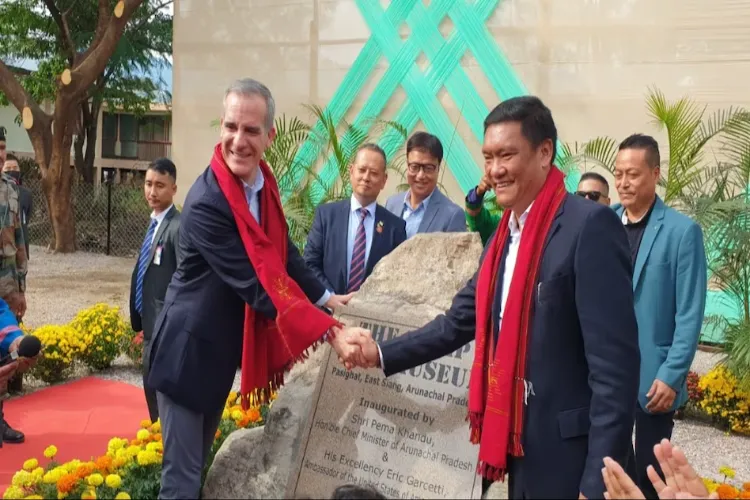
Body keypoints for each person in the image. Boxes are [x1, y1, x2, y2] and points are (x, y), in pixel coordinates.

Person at [344, 96, 640, 499]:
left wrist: (598, 484)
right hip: (518, 444)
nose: (495, 170)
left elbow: (614, 374)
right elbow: (457, 322)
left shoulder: (588, 227)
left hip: (571, 457)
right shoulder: (504, 237)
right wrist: (380, 352)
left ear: (544, 153)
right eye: (488, 157)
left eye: (507, 155)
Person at [145, 78, 367, 499]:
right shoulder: (208, 201)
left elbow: (280, 252)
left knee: (192, 476)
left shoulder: (261, 183)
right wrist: (330, 331)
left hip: (214, 356)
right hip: (185, 357)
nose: (238, 140)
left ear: (271, 135)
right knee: (181, 483)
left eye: (250, 130)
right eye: (231, 127)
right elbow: (257, 284)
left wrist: (325, 298)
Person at [612, 134, 707, 499]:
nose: (623, 182)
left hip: (654, 380)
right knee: (609, 469)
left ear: (655, 174)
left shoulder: (682, 232)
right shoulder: (602, 225)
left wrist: (671, 375)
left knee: (651, 475)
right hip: (605, 374)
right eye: (618, 174)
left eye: (632, 174)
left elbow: (690, 313)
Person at [304, 143, 406, 295]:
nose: (366, 178)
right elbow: (309, 263)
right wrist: (331, 299)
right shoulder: (326, 216)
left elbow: (397, 278)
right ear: (351, 171)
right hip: (327, 312)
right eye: (362, 170)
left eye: (374, 173)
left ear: (384, 180)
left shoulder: (395, 227)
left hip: (371, 315)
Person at [129, 158, 181, 423]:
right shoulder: (154, 225)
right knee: (150, 390)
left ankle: (165, 449)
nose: (152, 191)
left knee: (162, 397)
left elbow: (183, 279)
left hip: (165, 328)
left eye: (160, 185)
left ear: (173, 188)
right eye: (148, 184)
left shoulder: (177, 227)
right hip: (149, 325)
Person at [465, 170, 612, 246]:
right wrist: (478, 193)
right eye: (581, 195)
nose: (586, 200)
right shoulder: (509, 227)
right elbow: (478, 222)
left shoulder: (562, 229)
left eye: (594, 195)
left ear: (608, 202)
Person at [384, 131, 466, 238]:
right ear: (407, 165)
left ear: (438, 168)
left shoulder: (452, 215)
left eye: (428, 168)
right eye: (415, 167)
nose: (420, 175)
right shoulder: (392, 204)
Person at [0, 161, 27, 444]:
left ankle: (0, 421)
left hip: (6, 284)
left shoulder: (11, 189)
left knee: (5, 356)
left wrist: (21, 288)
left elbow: (20, 240)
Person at [3, 154, 33, 261]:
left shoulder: (26, 194)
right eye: (8, 169)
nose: (12, 171)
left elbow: (27, 216)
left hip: (21, 246)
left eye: (15, 168)